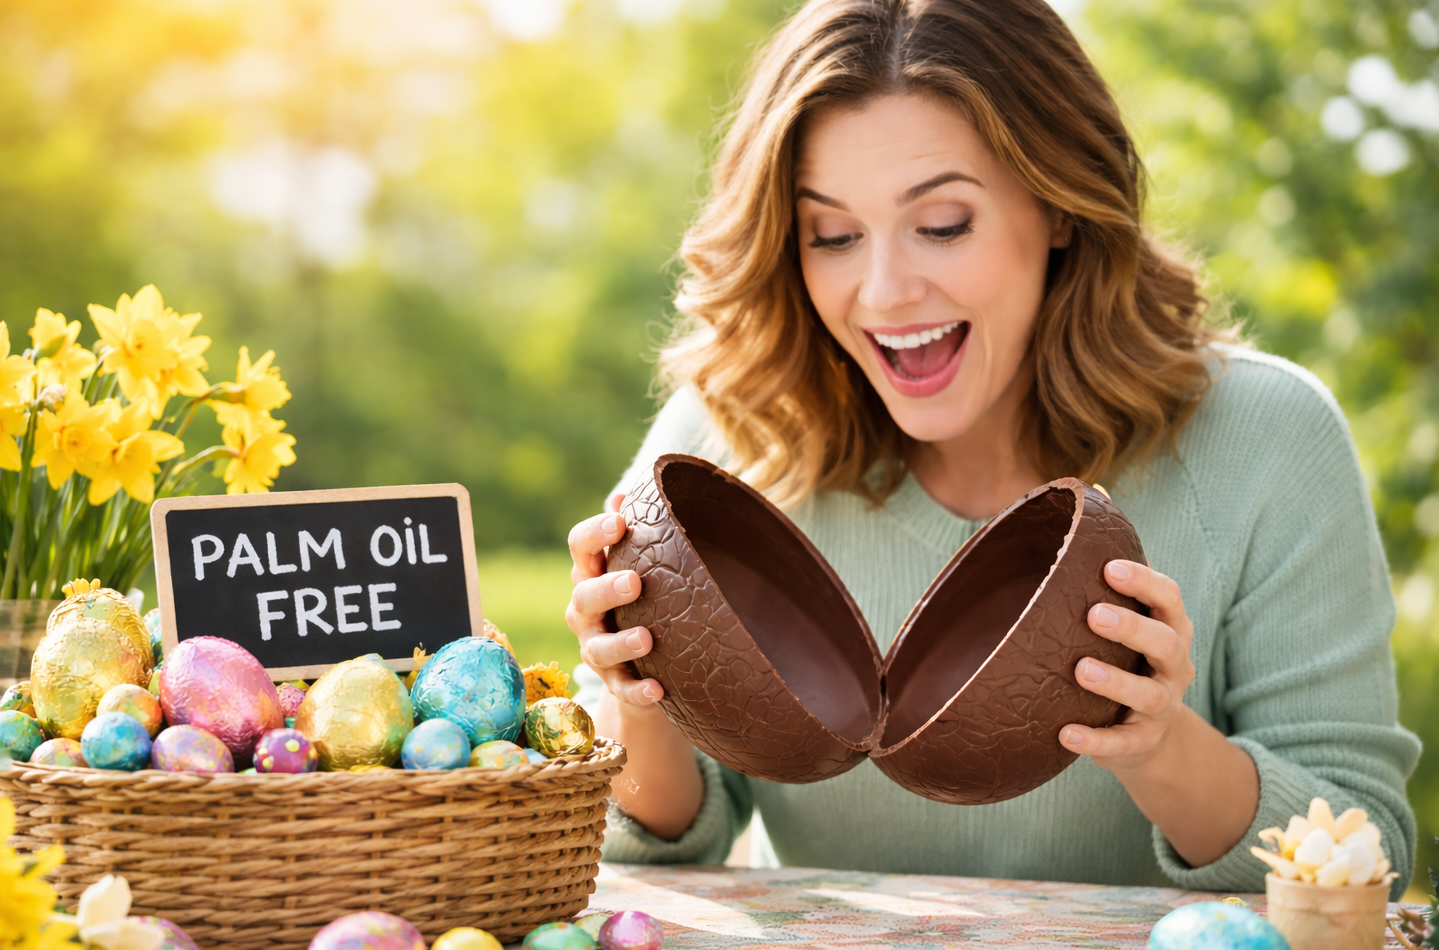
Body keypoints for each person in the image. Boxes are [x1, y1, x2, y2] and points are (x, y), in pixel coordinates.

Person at [566, 0, 1420, 892]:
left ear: (1058, 204)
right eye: (833, 236)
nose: (885, 291)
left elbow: (1369, 860)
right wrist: (640, 698)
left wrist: (1160, 742)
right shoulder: (733, 438)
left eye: (943, 224)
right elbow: (637, 847)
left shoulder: (1266, 439)